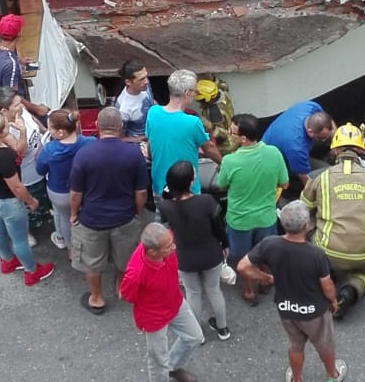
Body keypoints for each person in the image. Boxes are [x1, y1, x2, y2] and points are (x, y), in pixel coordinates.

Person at [237, 201, 347, 382]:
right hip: (314, 311)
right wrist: (332, 300)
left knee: (296, 346)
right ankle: (332, 376)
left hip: (286, 308)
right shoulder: (316, 254)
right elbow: (327, 285)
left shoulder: (269, 244)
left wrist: (267, 278)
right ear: (306, 225)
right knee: (324, 345)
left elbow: (242, 267)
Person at [301, 123, 365, 319]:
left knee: (311, 218)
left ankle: (324, 276)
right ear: (361, 150)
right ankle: (352, 289)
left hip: (325, 251)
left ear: (335, 150)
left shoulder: (318, 177)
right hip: (363, 254)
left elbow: (304, 209)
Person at [120, 222, 204, 382]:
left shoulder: (164, 243)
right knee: (158, 360)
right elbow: (126, 295)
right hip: (153, 317)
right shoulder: (136, 273)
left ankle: (173, 367)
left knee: (194, 337)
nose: (174, 247)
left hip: (175, 302)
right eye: (168, 247)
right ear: (152, 251)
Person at [69, 106, 148, 314]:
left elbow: (76, 193)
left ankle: (96, 297)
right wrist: (138, 213)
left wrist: (74, 214)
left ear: (97, 125)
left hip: (92, 219)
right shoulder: (133, 153)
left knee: (92, 263)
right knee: (124, 257)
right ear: (120, 126)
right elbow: (141, 191)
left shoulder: (84, 154)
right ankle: (121, 286)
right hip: (125, 216)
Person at [0, 112, 55, 286]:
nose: (9, 124)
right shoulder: (4, 156)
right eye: (6, 125)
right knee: (20, 240)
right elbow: (16, 187)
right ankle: (32, 271)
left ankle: (7, 261)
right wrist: (31, 201)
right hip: (9, 203)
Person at [217, 113, 289, 304]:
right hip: (266, 217)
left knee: (243, 258)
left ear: (243, 139)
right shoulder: (274, 153)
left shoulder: (230, 161)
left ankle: (248, 290)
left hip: (240, 220)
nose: (229, 135)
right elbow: (285, 183)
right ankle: (265, 282)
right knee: (265, 253)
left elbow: (221, 184)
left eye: (232, 132)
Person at [159, 160, 230, 340]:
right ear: (191, 182)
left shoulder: (166, 206)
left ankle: (197, 333)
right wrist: (225, 244)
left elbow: (165, 196)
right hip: (211, 253)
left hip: (185, 257)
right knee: (214, 290)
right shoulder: (206, 201)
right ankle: (223, 328)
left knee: (192, 293)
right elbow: (219, 227)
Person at [145, 69, 221, 200]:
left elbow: (150, 145)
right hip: (188, 190)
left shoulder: (153, 112)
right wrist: (223, 163)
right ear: (187, 93)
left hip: (160, 186)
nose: (195, 94)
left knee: (162, 213)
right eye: (194, 91)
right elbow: (209, 148)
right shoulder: (192, 122)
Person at [0, 87, 52, 245]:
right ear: (4, 110)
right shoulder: (2, 128)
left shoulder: (20, 110)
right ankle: (26, 232)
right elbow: (20, 152)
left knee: (41, 197)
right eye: (16, 105)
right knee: (26, 205)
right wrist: (23, 131)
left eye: (20, 102)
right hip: (24, 175)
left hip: (38, 167)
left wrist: (44, 131)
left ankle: (43, 215)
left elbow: (33, 119)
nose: (21, 106)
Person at [35, 109, 94, 252]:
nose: (48, 131)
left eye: (50, 128)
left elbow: (40, 171)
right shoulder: (90, 143)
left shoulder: (49, 150)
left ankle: (70, 250)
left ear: (60, 132)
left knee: (65, 219)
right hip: (85, 190)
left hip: (59, 193)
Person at [261, 100, 335, 196]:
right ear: (310, 131)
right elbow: (306, 181)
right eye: (322, 138)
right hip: (271, 161)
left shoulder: (310, 106)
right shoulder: (296, 148)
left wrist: (335, 142)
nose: (324, 139)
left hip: (285, 141)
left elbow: (329, 122)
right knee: (328, 173)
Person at [0, 14, 49, 122]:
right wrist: (36, 109)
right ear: (19, 33)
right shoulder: (11, 65)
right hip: (11, 111)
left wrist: (18, 60)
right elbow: (12, 97)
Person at [192, 78, 235, 156]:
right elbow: (223, 85)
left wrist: (207, 124)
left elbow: (221, 136)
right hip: (232, 135)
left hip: (226, 147)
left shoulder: (214, 112)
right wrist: (213, 78)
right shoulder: (222, 93)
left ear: (206, 98)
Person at [115, 58, 154, 140]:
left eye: (146, 76)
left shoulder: (144, 85)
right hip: (140, 142)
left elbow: (151, 101)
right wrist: (146, 138)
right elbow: (121, 138)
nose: (146, 81)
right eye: (141, 79)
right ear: (128, 82)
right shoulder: (123, 109)